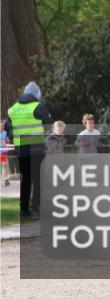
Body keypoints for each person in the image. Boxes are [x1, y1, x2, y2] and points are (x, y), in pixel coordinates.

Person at [5, 81, 53, 216]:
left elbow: (9, 128)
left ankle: (23, 209)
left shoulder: (13, 108)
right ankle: (36, 208)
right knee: (38, 178)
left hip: (21, 148)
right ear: (37, 94)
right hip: (36, 146)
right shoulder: (38, 106)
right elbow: (49, 125)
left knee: (25, 178)